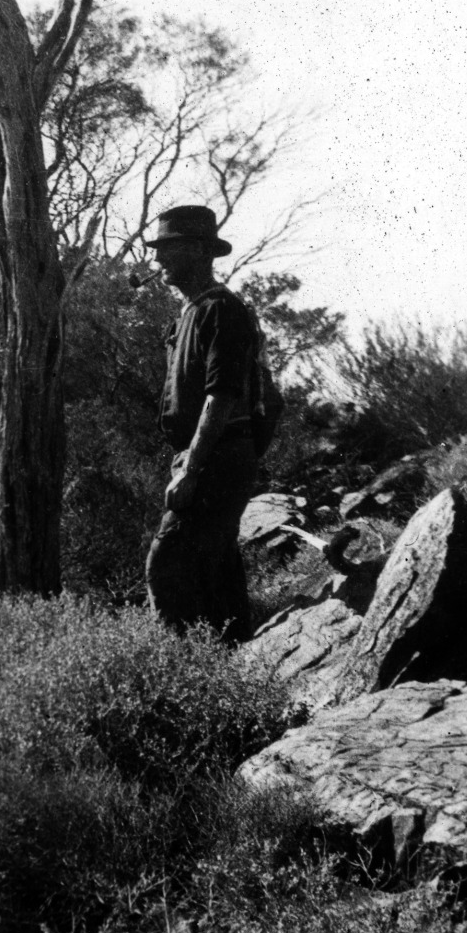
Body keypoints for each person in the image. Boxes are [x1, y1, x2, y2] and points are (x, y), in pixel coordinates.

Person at [143, 205, 258, 643]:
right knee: (216, 571)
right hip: (205, 456)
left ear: (197, 250)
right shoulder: (191, 312)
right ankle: (233, 677)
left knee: (167, 564)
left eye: (167, 249)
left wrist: (192, 468)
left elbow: (221, 395)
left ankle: (182, 678)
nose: (158, 260)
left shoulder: (221, 310)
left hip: (217, 458)